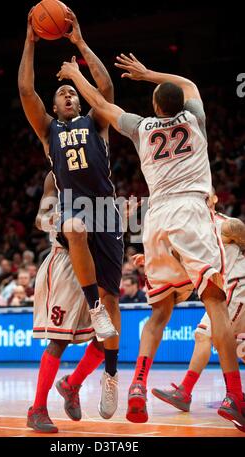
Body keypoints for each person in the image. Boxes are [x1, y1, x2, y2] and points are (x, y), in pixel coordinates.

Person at [56, 53, 245, 431]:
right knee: (215, 303)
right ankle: (235, 397)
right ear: (180, 105)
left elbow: (103, 105)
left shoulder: (141, 128)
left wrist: (76, 76)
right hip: (191, 209)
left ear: (156, 107)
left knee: (159, 313)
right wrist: (148, 74)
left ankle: (138, 385)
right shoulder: (195, 119)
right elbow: (188, 85)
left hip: (154, 217)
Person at [19, 9, 123, 420]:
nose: (69, 95)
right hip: (76, 219)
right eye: (62, 93)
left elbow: (107, 87)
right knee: (75, 226)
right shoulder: (49, 132)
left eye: (72, 93)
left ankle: (78, 382)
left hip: (109, 216)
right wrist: (30, 40)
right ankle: (37, 408)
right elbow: (27, 91)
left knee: (112, 330)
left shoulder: (96, 123)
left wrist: (79, 43)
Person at [151, 190, 245, 413]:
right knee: (219, 341)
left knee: (207, 335)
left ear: (214, 199)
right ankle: (185, 392)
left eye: (205, 195)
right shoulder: (191, 235)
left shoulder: (227, 225)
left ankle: (191, 392)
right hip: (223, 293)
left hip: (236, 288)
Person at [27, 171, 105, 433]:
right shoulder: (54, 176)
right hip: (65, 263)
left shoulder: (98, 171)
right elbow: (40, 219)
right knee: (59, 341)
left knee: (106, 338)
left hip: (95, 264)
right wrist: (59, 221)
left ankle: (72, 385)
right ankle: (37, 409)